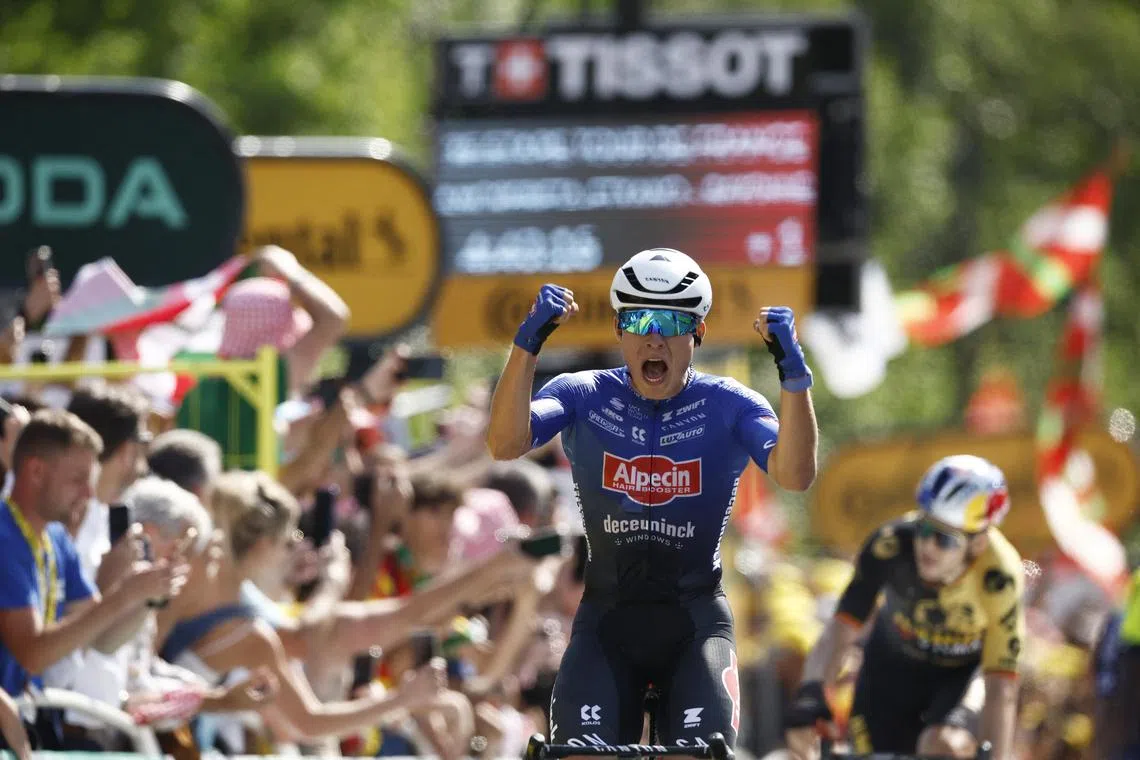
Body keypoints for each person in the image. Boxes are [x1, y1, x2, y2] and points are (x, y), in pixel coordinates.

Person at [486, 248, 819, 752]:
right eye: (639, 319)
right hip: (607, 622)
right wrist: (525, 346)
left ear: (698, 332)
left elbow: (795, 475)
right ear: (619, 329)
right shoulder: (584, 394)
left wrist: (794, 378)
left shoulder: (730, 404)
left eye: (671, 321)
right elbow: (504, 443)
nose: (654, 337)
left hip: (695, 623)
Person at [784, 455, 1025, 760]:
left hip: (958, 678)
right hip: (889, 669)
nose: (927, 546)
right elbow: (841, 629)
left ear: (978, 544)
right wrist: (811, 696)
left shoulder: (999, 577)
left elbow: (1002, 687)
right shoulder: (891, 543)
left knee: (942, 745)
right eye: (924, 529)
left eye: (944, 539)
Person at [0, 410, 186, 749]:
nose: (89, 493)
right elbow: (33, 653)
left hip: (31, 719)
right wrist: (121, 595)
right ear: (36, 472)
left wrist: (146, 595)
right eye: (78, 479)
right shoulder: (4, 536)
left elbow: (99, 640)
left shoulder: (53, 537)